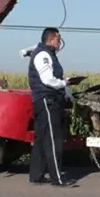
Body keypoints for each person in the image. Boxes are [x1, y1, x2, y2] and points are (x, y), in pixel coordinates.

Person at [22, 27, 75, 187]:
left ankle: (36, 176)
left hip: (45, 100)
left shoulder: (45, 53)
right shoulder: (44, 55)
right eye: (59, 39)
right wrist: (64, 83)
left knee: (40, 139)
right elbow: (48, 80)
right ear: (52, 39)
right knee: (53, 139)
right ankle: (57, 178)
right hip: (47, 100)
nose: (60, 42)